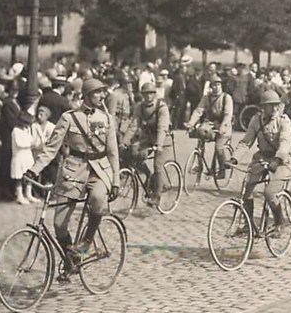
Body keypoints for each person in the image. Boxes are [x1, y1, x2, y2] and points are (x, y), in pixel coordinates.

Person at [26, 79, 120, 277]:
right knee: (59, 224)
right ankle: (71, 261)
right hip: (73, 171)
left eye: (104, 92)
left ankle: (86, 242)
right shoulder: (68, 118)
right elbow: (51, 148)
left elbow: (113, 153)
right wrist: (34, 169)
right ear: (86, 95)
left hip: (99, 171)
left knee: (96, 198)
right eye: (98, 93)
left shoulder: (107, 119)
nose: (102, 96)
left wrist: (116, 181)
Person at [234, 90, 291, 237]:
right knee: (246, 189)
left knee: (270, 193)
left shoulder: (283, 121)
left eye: (276, 106)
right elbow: (246, 142)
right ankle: (248, 224)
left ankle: (280, 222)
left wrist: (277, 159)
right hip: (262, 158)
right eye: (270, 106)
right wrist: (234, 158)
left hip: (281, 162)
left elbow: (285, 142)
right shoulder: (256, 120)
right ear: (263, 107)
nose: (274, 109)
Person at [132, 81, 174, 204]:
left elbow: (162, 128)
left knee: (158, 166)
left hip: (163, 140)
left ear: (155, 94)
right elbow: (133, 125)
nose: (148, 97)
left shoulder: (162, 107)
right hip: (148, 137)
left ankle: (156, 196)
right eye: (145, 94)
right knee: (134, 156)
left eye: (151, 94)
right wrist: (124, 142)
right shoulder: (139, 107)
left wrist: (159, 144)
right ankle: (150, 177)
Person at [187, 76, 234, 180]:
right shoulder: (206, 98)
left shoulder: (226, 98)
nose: (216, 87)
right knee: (200, 137)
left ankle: (222, 170)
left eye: (218, 84)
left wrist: (222, 127)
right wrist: (190, 124)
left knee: (218, 147)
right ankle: (199, 164)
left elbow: (227, 115)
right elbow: (199, 111)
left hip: (223, 126)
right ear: (210, 87)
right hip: (210, 125)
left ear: (221, 86)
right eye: (214, 85)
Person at [11, 110, 36, 205]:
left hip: (27, 156)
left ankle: (28, 194)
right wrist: (30, 144)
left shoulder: (27, 130)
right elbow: (19, 143)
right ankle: (19, 195)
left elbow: (31, 140)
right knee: (19, 177)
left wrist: (32, 143)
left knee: (29, 176)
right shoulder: (16, 131)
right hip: (19, 156)